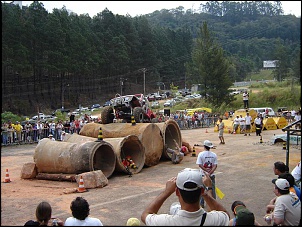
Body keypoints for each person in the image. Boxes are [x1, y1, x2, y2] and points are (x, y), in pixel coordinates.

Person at [141, 168, 230, 226]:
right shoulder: (215, 220)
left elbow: (145, 215)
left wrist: (167, 192)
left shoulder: (166, 222)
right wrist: (208, 190)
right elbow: (225, 214)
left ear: (177, 192)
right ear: (201, 191)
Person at [196, 140, 218, 208]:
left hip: (203, 175)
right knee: (212, 189)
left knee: (202, 190)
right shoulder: (214, 155)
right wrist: (210, 172)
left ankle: (201, 203)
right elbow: (215, 165)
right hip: (211, 175)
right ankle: (213, 203)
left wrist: (206, 171)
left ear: (204, 146)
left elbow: (200, 165)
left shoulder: (201, 154)